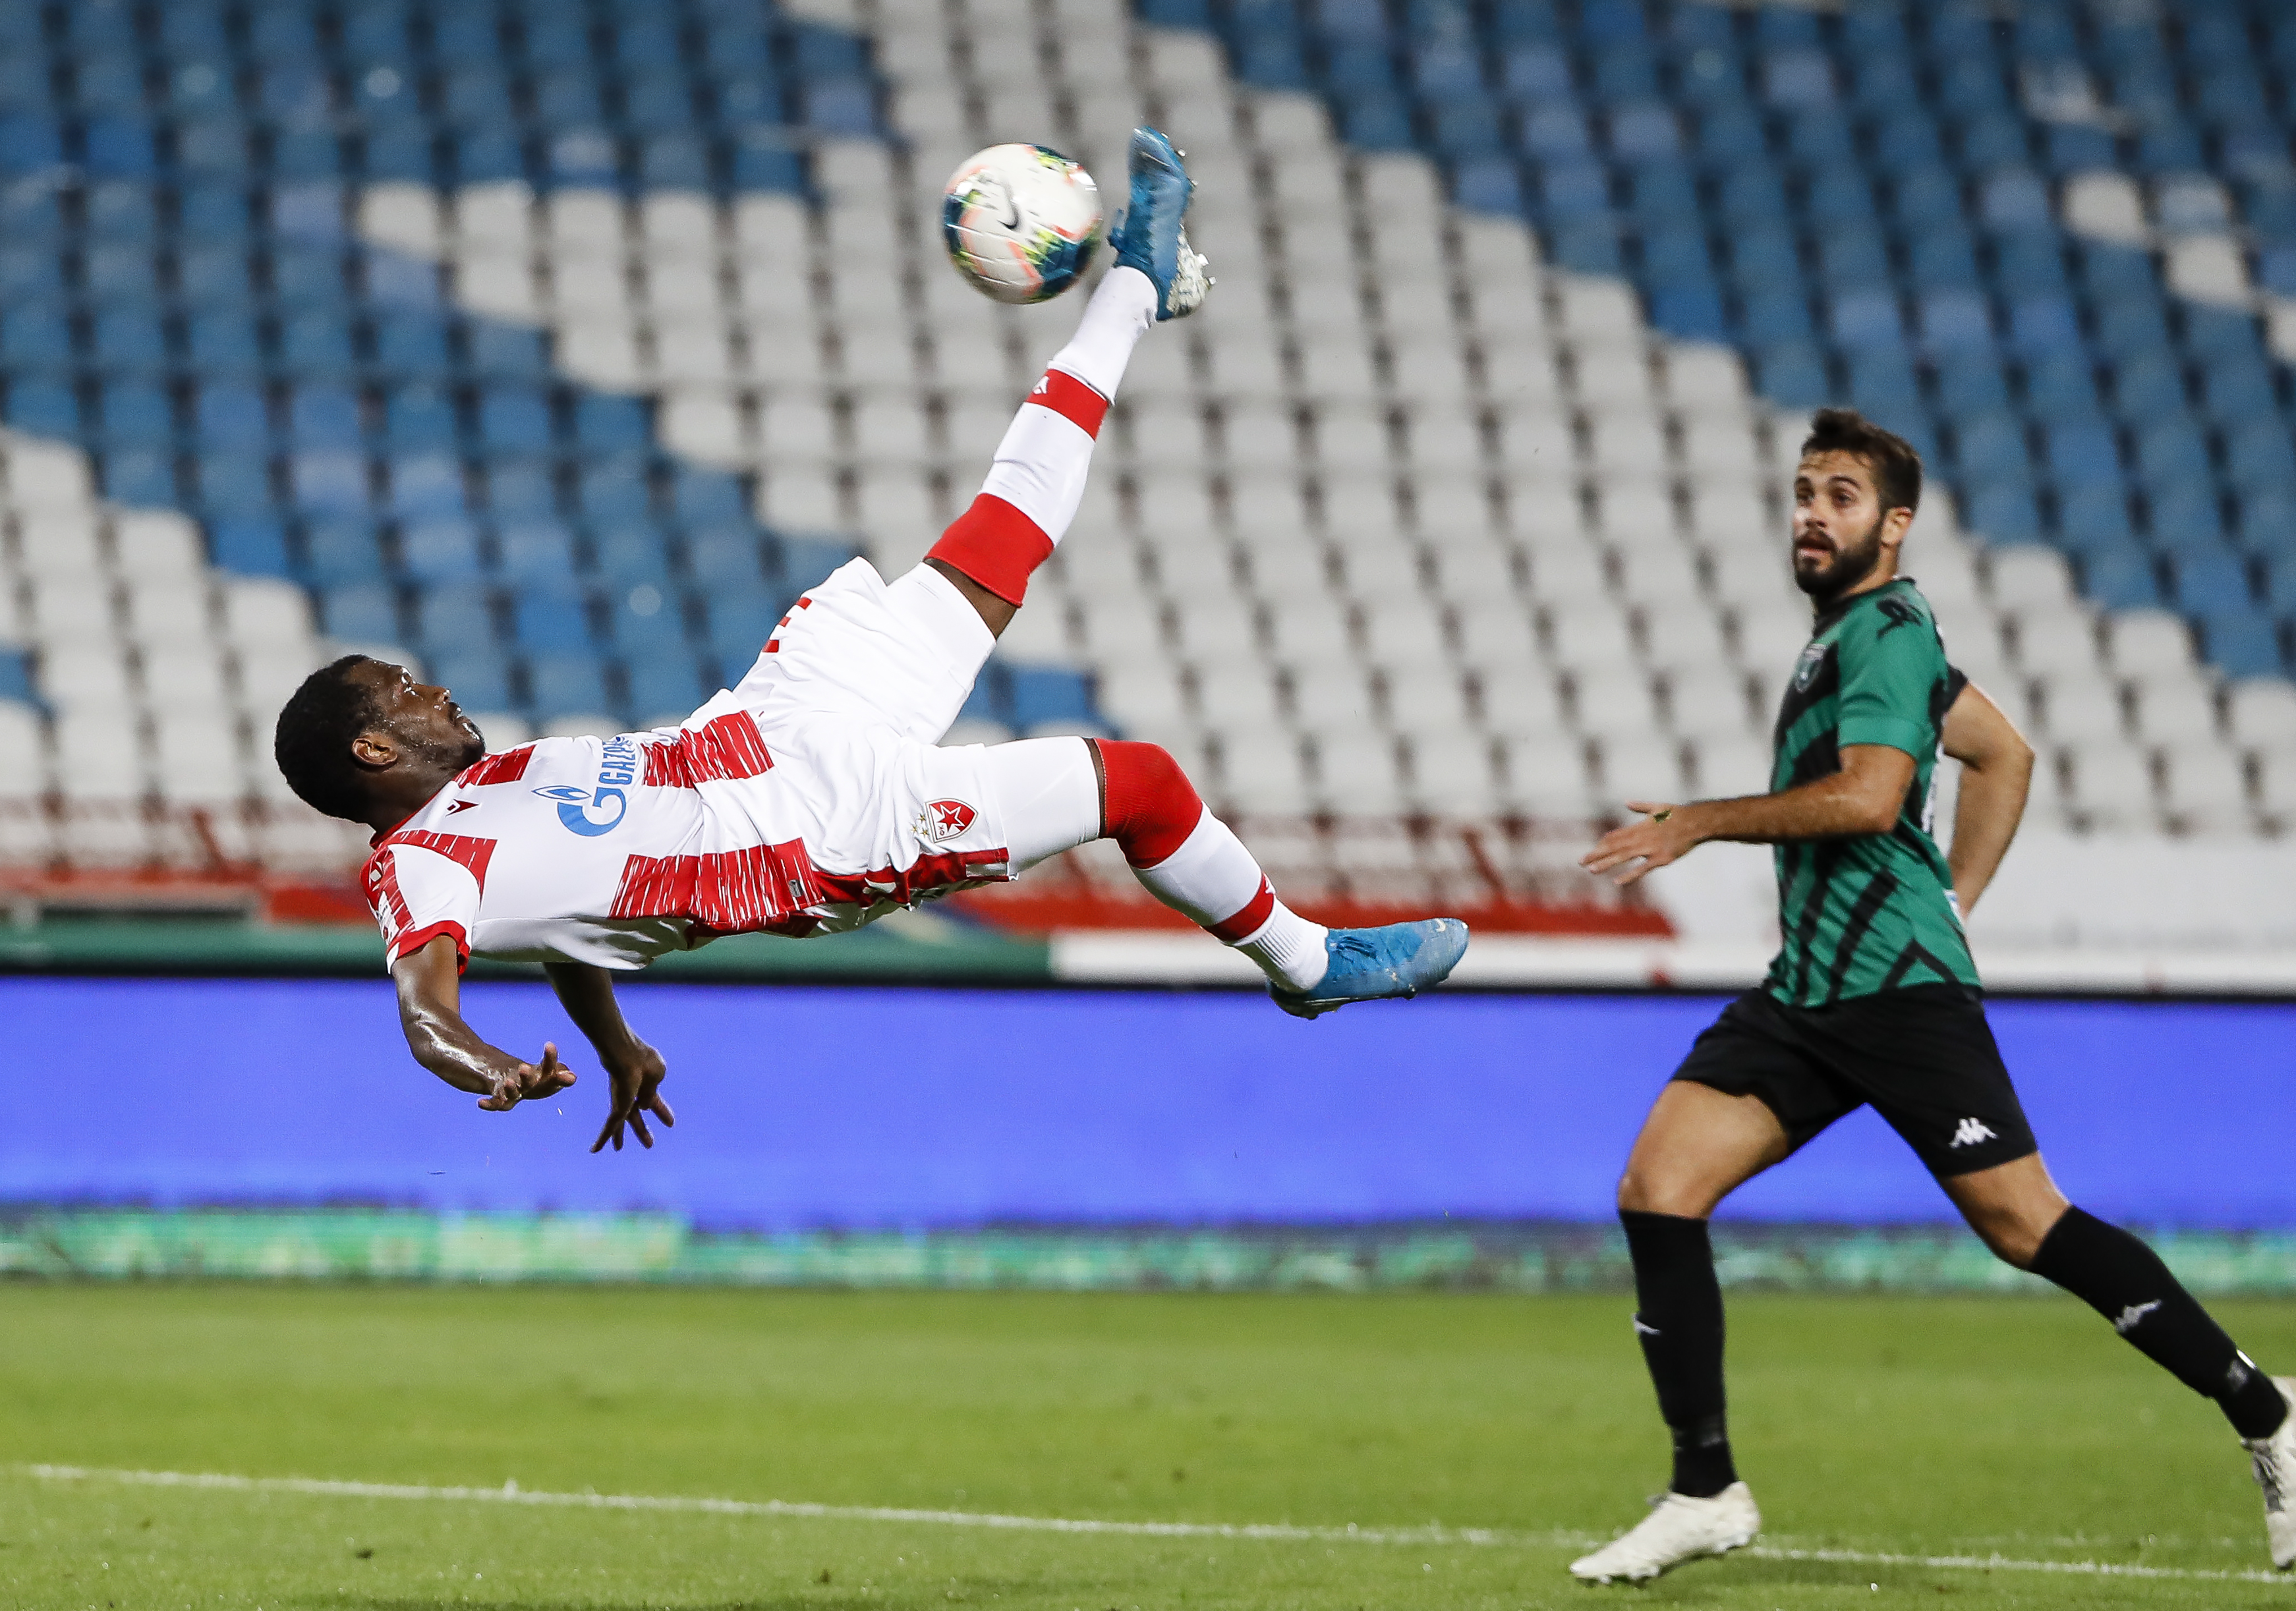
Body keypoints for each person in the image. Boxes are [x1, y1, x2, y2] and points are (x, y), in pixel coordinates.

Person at [269, 129, 1470, 1152]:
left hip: (771, 723)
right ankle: (1308, 965)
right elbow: (427, 1008)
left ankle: (1139, 283)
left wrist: (617, 1037)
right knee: (1140, 782)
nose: (435, 692)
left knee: (997, 536)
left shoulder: (494, 803)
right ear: (375, 753)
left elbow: (565, 923)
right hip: (817, 834)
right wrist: (494, 1070)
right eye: (406, 693)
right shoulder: (418, 870)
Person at [1565, 408, 2294, 1582]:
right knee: (1660, 1185)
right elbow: (2005, 753)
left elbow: (1865, 798)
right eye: (1805, 490)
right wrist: (1957, 893)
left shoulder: (1891, 629)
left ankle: (2267, 1412)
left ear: (1894, 525)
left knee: (2025, 1224)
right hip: (1809, 992)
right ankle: (1706, 1487)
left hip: (1897, 995)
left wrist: (1702, 821)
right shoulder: (1856, 635)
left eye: (1842, 494)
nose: (1813, 511)